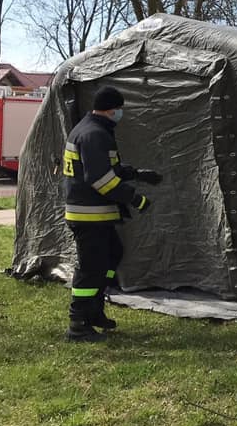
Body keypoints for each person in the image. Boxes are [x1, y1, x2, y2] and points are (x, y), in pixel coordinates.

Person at [62, 85, 162, 342]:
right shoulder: (95, 134)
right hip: (89, 215)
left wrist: (138, 174)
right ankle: (78, 325)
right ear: (112, 109)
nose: (121, 114)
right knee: (90, 267)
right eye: (119, 109)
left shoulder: (92, 129)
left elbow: (109, 168)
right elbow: (100, 180)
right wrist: (135, 199)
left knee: (111, 256)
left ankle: (94, 311)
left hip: (96, 214)